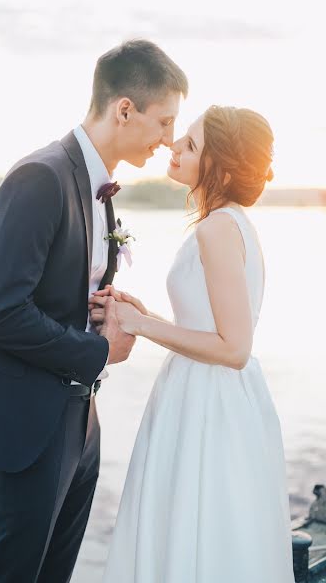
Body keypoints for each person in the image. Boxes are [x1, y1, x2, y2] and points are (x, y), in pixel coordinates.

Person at [0, 39, 188, 583]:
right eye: (164, 122)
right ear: (126, 109)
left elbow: (62, 292)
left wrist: (109, 307)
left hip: (77, 420)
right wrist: (100, 349)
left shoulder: (97, 187)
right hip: (25, 422)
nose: (169, 140)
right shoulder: (41, 177)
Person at [90, 105, 295, 582]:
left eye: (191, 145)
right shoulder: (228, 222)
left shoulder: (219, 228)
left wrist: (138, 327)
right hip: (203, 390)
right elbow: (208, 328)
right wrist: (145, 315)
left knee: (203, 533)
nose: (174, 147)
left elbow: (233, 348)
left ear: (219, 167)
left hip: (210, 403)